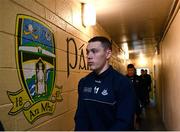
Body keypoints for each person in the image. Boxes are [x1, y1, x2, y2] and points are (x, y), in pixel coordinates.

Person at [74, 36, 136, 131]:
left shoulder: (122, 83)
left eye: (94, 51)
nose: (89, 56)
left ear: (108, 54)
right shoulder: (84, 82)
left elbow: (124, 122)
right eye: (87, 52)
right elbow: (80, 116)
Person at [126, 64, 142, 129]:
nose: (130, 72)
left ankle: (136, 126)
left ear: (134, 70)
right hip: (127, 102)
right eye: (129, 70)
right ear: (127, 70)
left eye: (132, 70)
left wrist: (141, 101)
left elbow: (142, 90)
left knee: (137, 115)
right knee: (128, 116)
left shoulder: (139, 78)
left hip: (137, 101)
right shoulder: (124, 78)